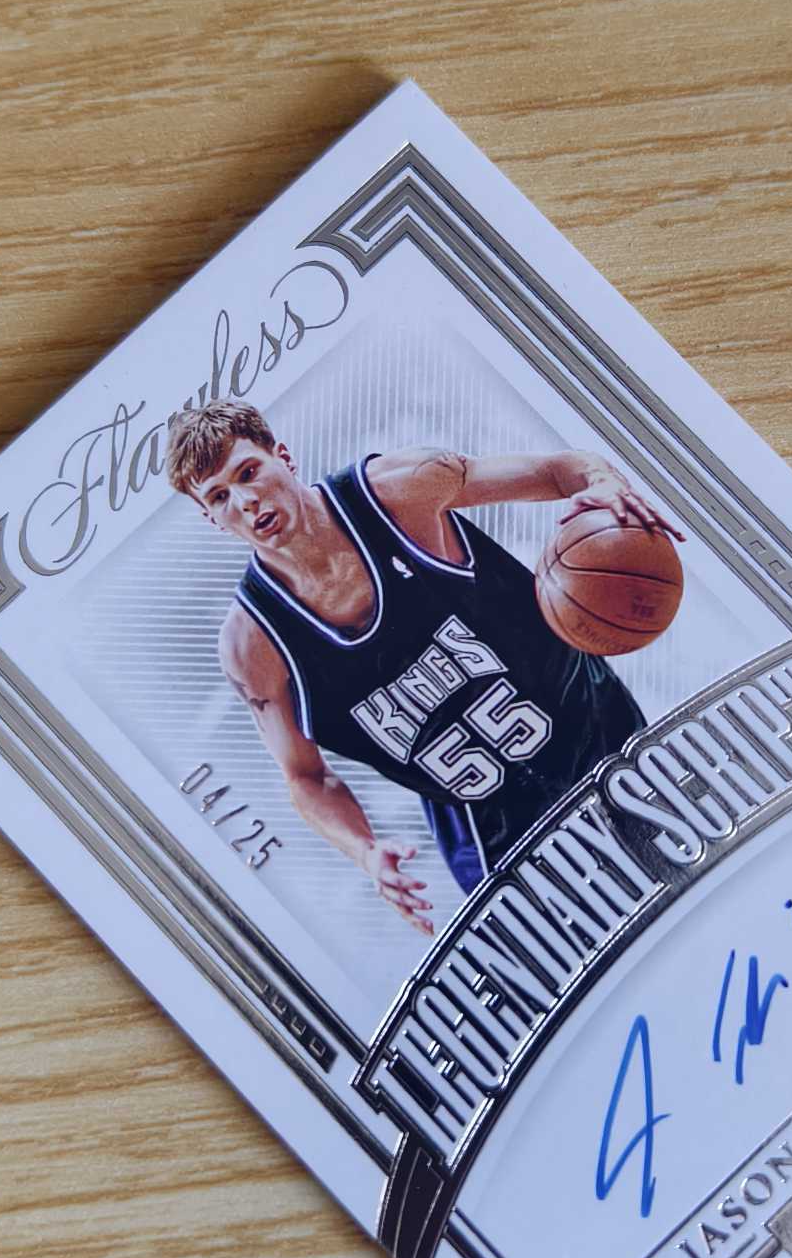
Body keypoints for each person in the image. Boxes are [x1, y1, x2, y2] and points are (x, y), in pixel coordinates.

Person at [166, 400, 682, 933]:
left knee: (695, 890)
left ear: (284, 457)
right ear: (211, 519)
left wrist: (605, 486)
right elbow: (306, 777)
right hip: (490, 832)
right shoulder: (253, 645)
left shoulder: (401, 487)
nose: (246, 501)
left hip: (598, 731)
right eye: (220, 497)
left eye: (248, 472)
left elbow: (560, 471)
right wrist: (366, 852)